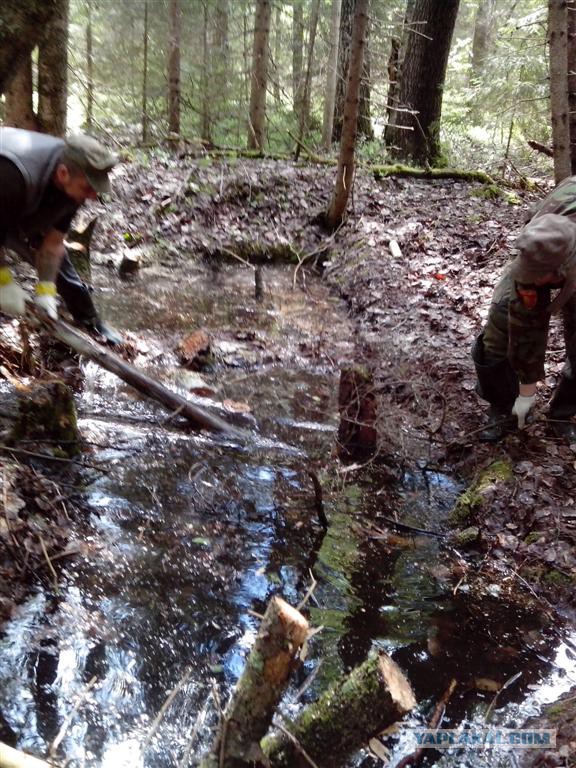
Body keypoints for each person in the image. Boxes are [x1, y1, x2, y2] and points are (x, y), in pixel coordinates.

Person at [0, 127, 122, 344]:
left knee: (62, 270)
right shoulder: (12, 174)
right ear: (63, 174)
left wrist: (46, 290)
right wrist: (3, 282)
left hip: (17, 210)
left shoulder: (73, 184)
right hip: (8, 195)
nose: (93, 196)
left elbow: (53, 243)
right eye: (88, 188)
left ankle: (90, 323)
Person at [472, 210, 576, 442]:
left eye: (538, 275)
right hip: (550, 248)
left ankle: (563, 412)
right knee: (499, 326)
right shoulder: (543, 238)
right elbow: (527, 325)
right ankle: (502, 406)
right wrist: (526, 395)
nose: (530, 280)